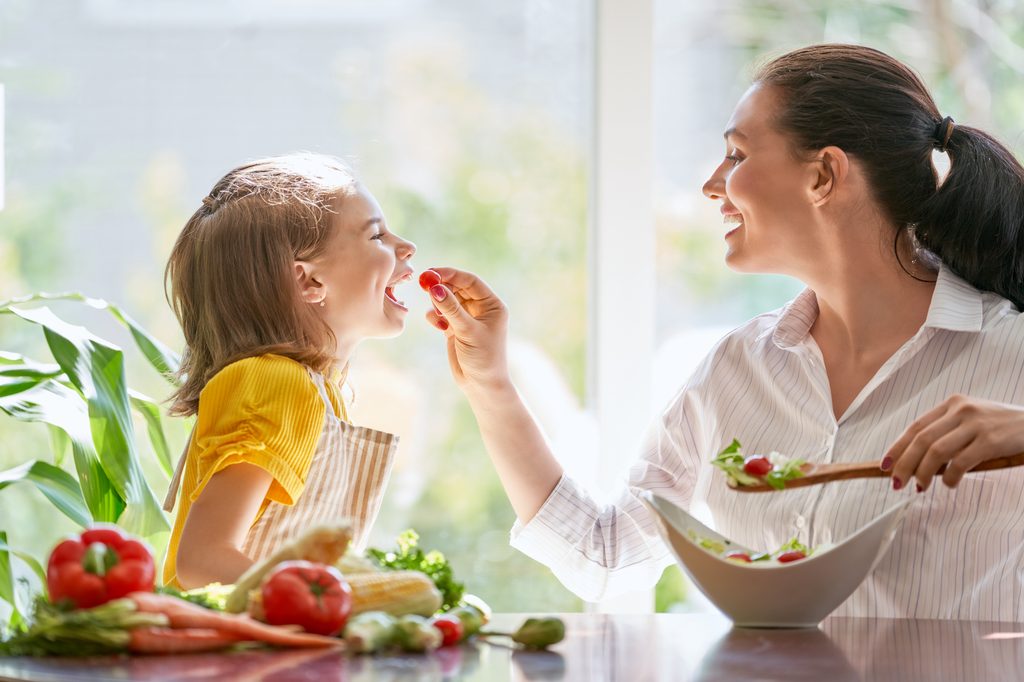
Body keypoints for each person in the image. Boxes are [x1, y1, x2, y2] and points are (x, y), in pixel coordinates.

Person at [420, 44, 1024, 620]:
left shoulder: (1010, 355)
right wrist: (490, 384)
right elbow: (604, 555)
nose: (713, 184)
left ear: (823, 175)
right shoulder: (739, 369)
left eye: (737, 155)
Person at [161, 153, 417, 589]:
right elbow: (202, 560)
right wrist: (328, 604)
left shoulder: (321, 392)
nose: (405, 246)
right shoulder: (273, 383)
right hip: (235, 654)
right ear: (308, 282)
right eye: (376, 235)